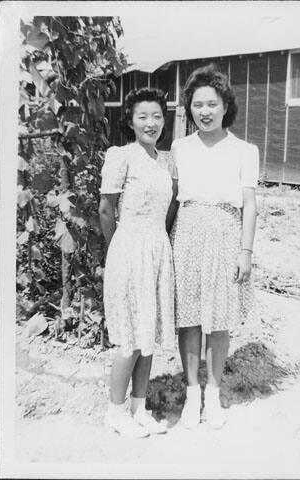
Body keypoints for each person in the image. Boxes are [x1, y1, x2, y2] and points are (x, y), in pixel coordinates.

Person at [168, 65, 259, 429]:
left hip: (226, 233)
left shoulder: (244, 150)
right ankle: (192, 395)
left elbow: (250, 204)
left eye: (211, 104)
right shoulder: (179, 146)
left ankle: (214, 394)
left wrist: (246, 251)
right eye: (197, 104)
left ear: (225, 106)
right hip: (187, 232)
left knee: (219, 319)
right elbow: (174, 199)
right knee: (188, 319)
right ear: (189, 107)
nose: (204, 111)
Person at [99, 88, 176, 438]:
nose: (151, 123)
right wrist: (117, 249)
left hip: (157, 250)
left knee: (149, 336)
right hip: (128, 251)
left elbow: (170, 209)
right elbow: (105, 209)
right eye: (143, 116)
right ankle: (114, 413)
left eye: (157, 116)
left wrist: (157, 242)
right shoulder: (121, 156)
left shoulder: (166, 160)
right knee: (129, 339)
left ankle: (138, 408)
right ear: (130, 120)